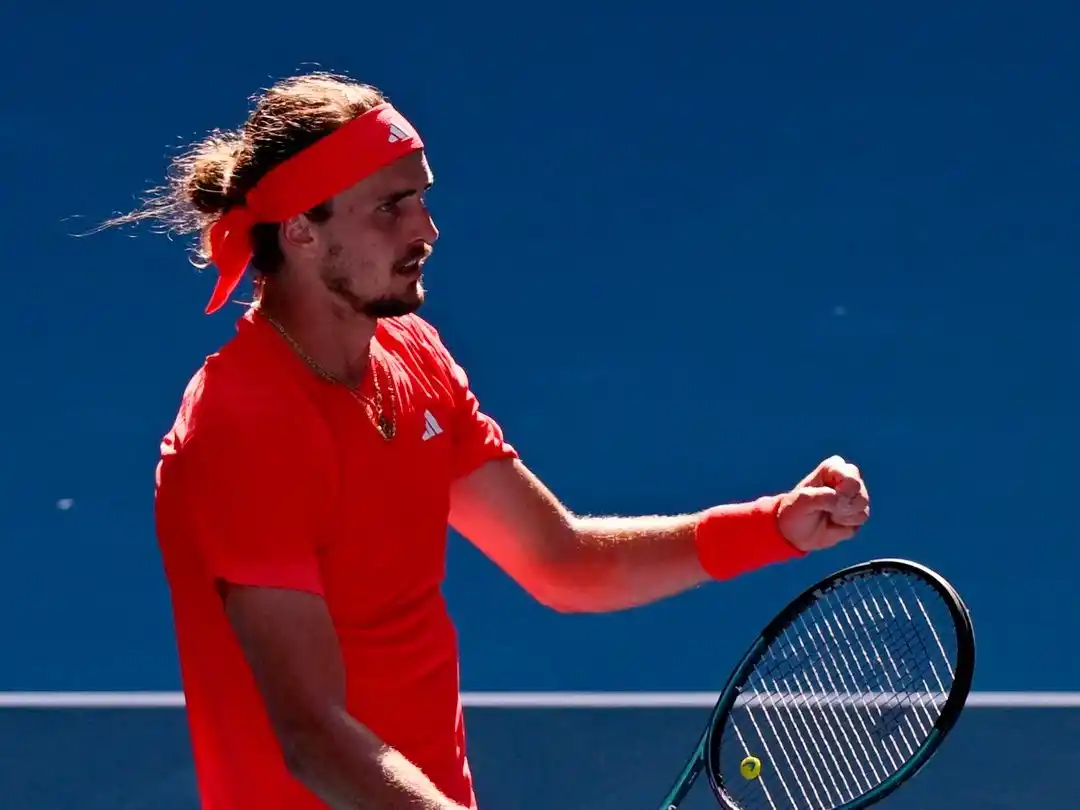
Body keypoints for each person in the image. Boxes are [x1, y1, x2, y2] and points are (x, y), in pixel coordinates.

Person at [104, 72, 871, 810]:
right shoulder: (246, 428)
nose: (426, 230)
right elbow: (313, 734)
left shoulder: (413, 356)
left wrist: (774, 526)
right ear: (303, 230)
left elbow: (562, 563)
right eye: (390, 208)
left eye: (423, 200)